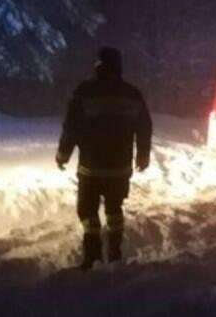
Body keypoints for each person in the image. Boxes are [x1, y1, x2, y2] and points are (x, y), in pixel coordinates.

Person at [57, 47, 152, 270]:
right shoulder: (132, 94)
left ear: (98, 66)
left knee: (87, 211)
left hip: (91, 168)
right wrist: (143, 155)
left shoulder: (85, 92)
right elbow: (144, 127)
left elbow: (71, 127)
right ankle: (115, 254)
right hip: (120, 169)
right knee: (114, 209)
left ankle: (93, 256)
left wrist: (63, 155)